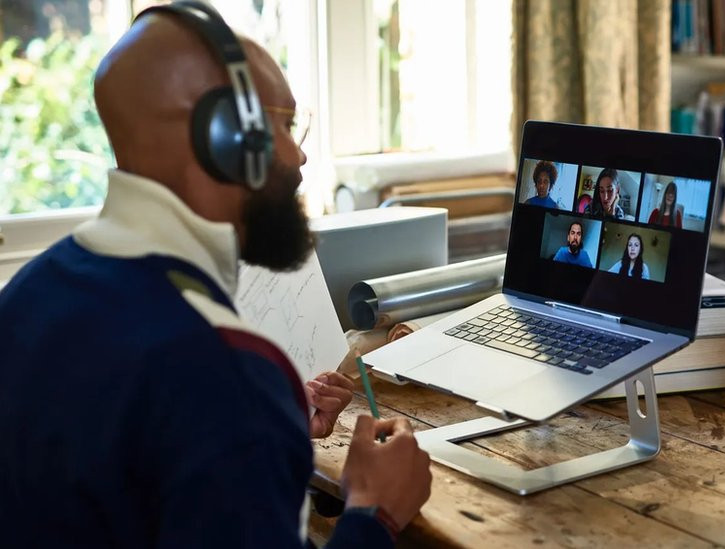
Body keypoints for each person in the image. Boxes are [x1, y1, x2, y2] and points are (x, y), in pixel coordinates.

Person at [0, 4, 430, 548]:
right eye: (284, 124)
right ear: (226, 136)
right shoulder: (227, 369)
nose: (298, 156)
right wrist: (376, 514)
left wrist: (263, 433)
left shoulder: (28, 295)